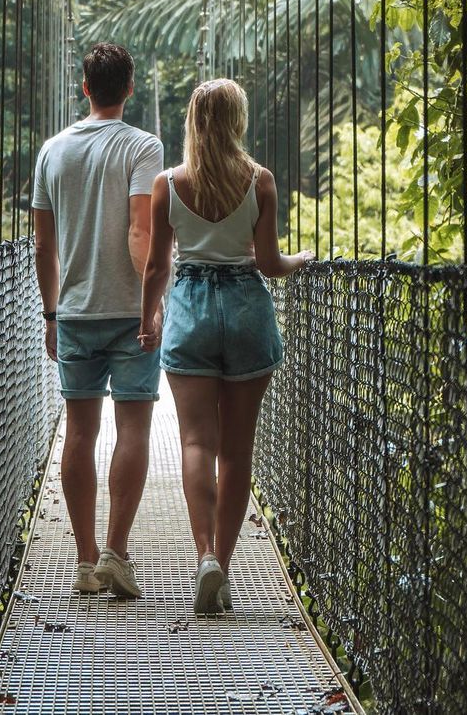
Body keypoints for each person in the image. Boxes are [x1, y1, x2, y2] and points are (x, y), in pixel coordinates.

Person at [138, 77, 312, 614]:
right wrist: (302, 260)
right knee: (236, 453)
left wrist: (149, 319)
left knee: (196, 444)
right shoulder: (260, 181)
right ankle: (228, 567)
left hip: (189, 309)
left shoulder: (168, 184)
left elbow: (157, 266)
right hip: (245, 313)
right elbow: (267, 264)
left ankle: (204, 555)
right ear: (237, 120)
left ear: (193, 120)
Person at [32, 42, 164, 599]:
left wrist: (51, 314)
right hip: (129, 312)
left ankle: (85, 562)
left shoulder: (52, 152)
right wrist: (149, 306)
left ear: (84, 87)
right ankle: (116, 552)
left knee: (80, 432)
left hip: (77, 311)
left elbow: (44, 244)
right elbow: (140, 231)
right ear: (129, 88)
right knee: (133, 429)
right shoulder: (143, 147)